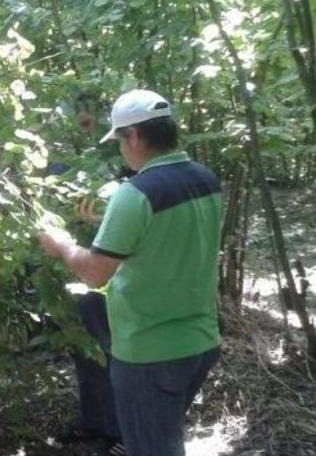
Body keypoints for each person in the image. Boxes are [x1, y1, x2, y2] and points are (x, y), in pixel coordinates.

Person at [38, 89, 222, 456]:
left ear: (135, 137)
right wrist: (109, 220)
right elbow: (167, 240)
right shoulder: (205, 179)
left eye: (120, 141)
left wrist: (61, 244)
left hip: (150, 353)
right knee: (162, 438)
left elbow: (94, 274)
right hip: (200, 342)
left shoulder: (135, 194)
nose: (121, 150)